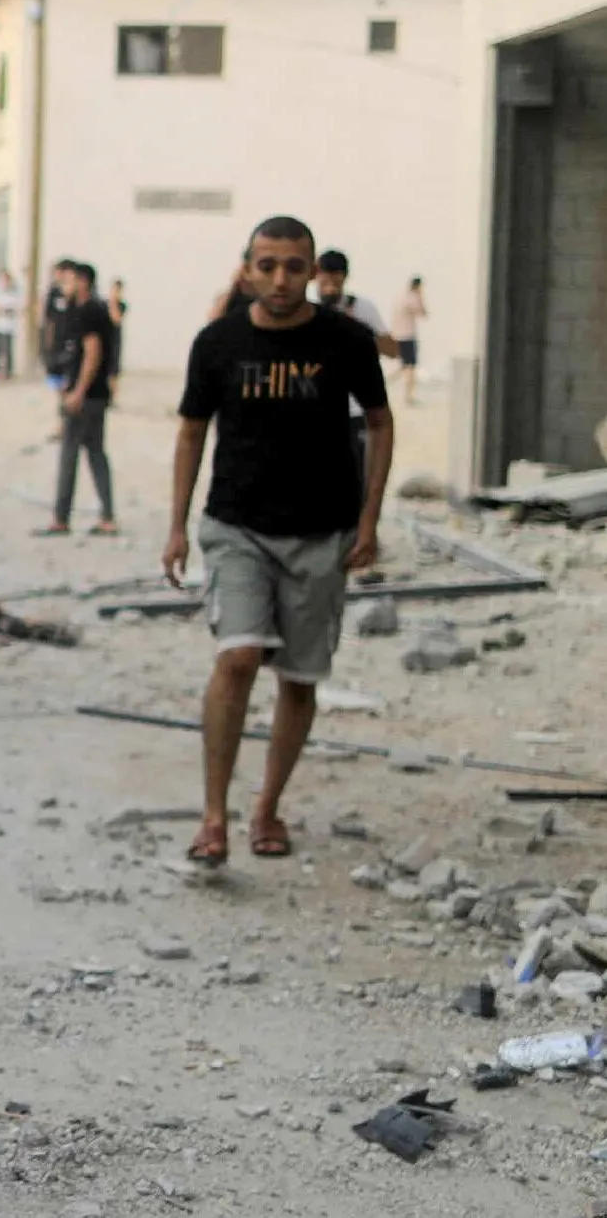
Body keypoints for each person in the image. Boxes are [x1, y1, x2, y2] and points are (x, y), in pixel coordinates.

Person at [164, 215, 392, 867]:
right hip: (235, 526)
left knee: (297, 679)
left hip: (321, 533)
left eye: (294, 265)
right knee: (236, 658)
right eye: (266, 264)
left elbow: (379, 423)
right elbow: (189, 432)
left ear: (313, 270)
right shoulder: (215, 343)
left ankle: (266, 806)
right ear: (246, 269)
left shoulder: (345, 341)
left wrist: (369, 521)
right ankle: (213, 816)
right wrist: (177, 525)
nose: (280, 278)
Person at [40, 262, 119, 537]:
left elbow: (92, 353)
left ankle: (61, 517)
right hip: (94, 394)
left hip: (86, 395)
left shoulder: (89, 312)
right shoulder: (87, 309)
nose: (65, 286)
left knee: (70, 453)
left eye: (70, 280)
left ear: (83, 281)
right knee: (96, 452)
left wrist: (77, 391)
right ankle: (107, 515)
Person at [313, 250, 399, 487]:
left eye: (335, 281)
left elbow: (392, 350)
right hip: (314, 406)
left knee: (355, 477)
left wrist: (356, 328)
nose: (329, 287)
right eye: (324, 281)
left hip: (354, 409)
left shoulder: (362, 307)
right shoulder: (306, 310)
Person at [40, 259, 78, 395]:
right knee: (55, 367)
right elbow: (49, 318)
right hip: (57, 337)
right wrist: (48, 340)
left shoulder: (76, 293)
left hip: (72, 337)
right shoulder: (54, 292)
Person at [390, 276, 428, 405]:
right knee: (410, 367)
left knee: (404, 366)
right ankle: (409, 396)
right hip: (407, 335)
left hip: (397, 335)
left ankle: (386, 382)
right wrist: (421, 297)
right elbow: (423, 313)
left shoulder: (400, 297)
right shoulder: (413, 298)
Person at [0, 271, 22, 381]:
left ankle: (8, 372)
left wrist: (6, 310)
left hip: (9, 327)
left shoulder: (14, 293)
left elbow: (17, 308)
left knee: (7, 351)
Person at [108, 278, 130, 375]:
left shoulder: (122, 305)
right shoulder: (104, 303)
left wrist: (113, 302)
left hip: (115, 337)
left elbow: (116, 319)